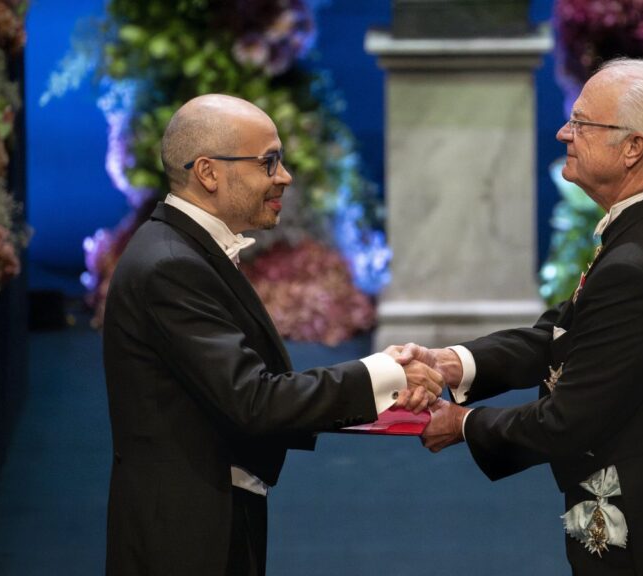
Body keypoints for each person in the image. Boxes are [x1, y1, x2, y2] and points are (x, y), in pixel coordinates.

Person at [401, 58, 643, 575]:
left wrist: (463, 424)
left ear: (634, 146)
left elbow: (567, 421)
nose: (564, 132)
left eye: (583, 124)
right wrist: (453, 363)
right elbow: (564, 333)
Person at [102, 94, 442, 576]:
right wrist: (384, 374)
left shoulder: (182, 250)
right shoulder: (172, 265)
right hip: (183, 540)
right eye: (268, 162)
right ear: (208, 172)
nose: (284, 177)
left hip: (210, 515)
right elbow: (253, 401)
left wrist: (381, 381)